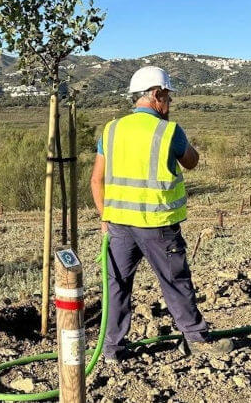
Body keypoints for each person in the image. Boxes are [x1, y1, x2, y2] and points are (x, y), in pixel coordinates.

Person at [90, 66, 233, 363]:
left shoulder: (111, 129)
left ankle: (112, 348)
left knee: (117, 285)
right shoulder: (168, 130)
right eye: (167, 97)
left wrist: (104, 218)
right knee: (175, 281)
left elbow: (96, 180)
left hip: (117, 224)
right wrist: (180, 141)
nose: (169, 103)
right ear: (156, 95)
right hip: (157, 224)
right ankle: (197, 339)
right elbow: (191, 162)